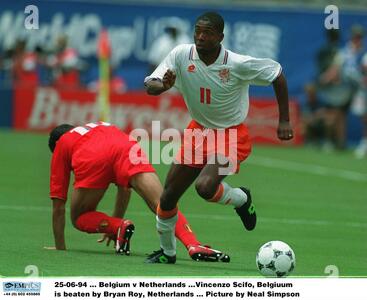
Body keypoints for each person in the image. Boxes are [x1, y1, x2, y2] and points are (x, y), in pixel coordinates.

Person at [144, 12, 293, 264]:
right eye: (198, 31)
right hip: (198, 131)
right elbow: (151, 84)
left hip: (231, 135)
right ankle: (167, 253)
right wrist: (163, 87)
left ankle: (242, 199)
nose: (201, 37)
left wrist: (285, 120)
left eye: (208, 32)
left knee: (204, 187)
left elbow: (276, 74)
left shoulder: (237, 64)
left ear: (220, 37)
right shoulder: (181, 54)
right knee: (168, 196)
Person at [48, 121, 230, 262]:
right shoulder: (99, 127)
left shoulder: (62, 143)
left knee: (79, 216)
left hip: (91, 156)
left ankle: (117, 226)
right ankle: (193, 244)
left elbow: (58, 205)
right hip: (126, 147)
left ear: (56, 144)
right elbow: (124, 189)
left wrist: (60, 247)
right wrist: (117, 225)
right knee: (164, 203)